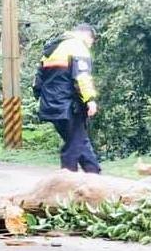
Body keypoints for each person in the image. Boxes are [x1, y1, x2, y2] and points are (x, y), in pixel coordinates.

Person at [33, 23, 101, 173]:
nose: (91, 44)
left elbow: (38, 81)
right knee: (75, 145)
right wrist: (90, 100)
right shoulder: (77, 46)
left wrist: (42, 98)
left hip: (51, 105)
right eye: (92, 41)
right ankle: (67, 181)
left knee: (78, 142)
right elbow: (82, 77)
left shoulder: (52, 49)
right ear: (86, 35)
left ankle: (94, 176)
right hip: (69, 106)